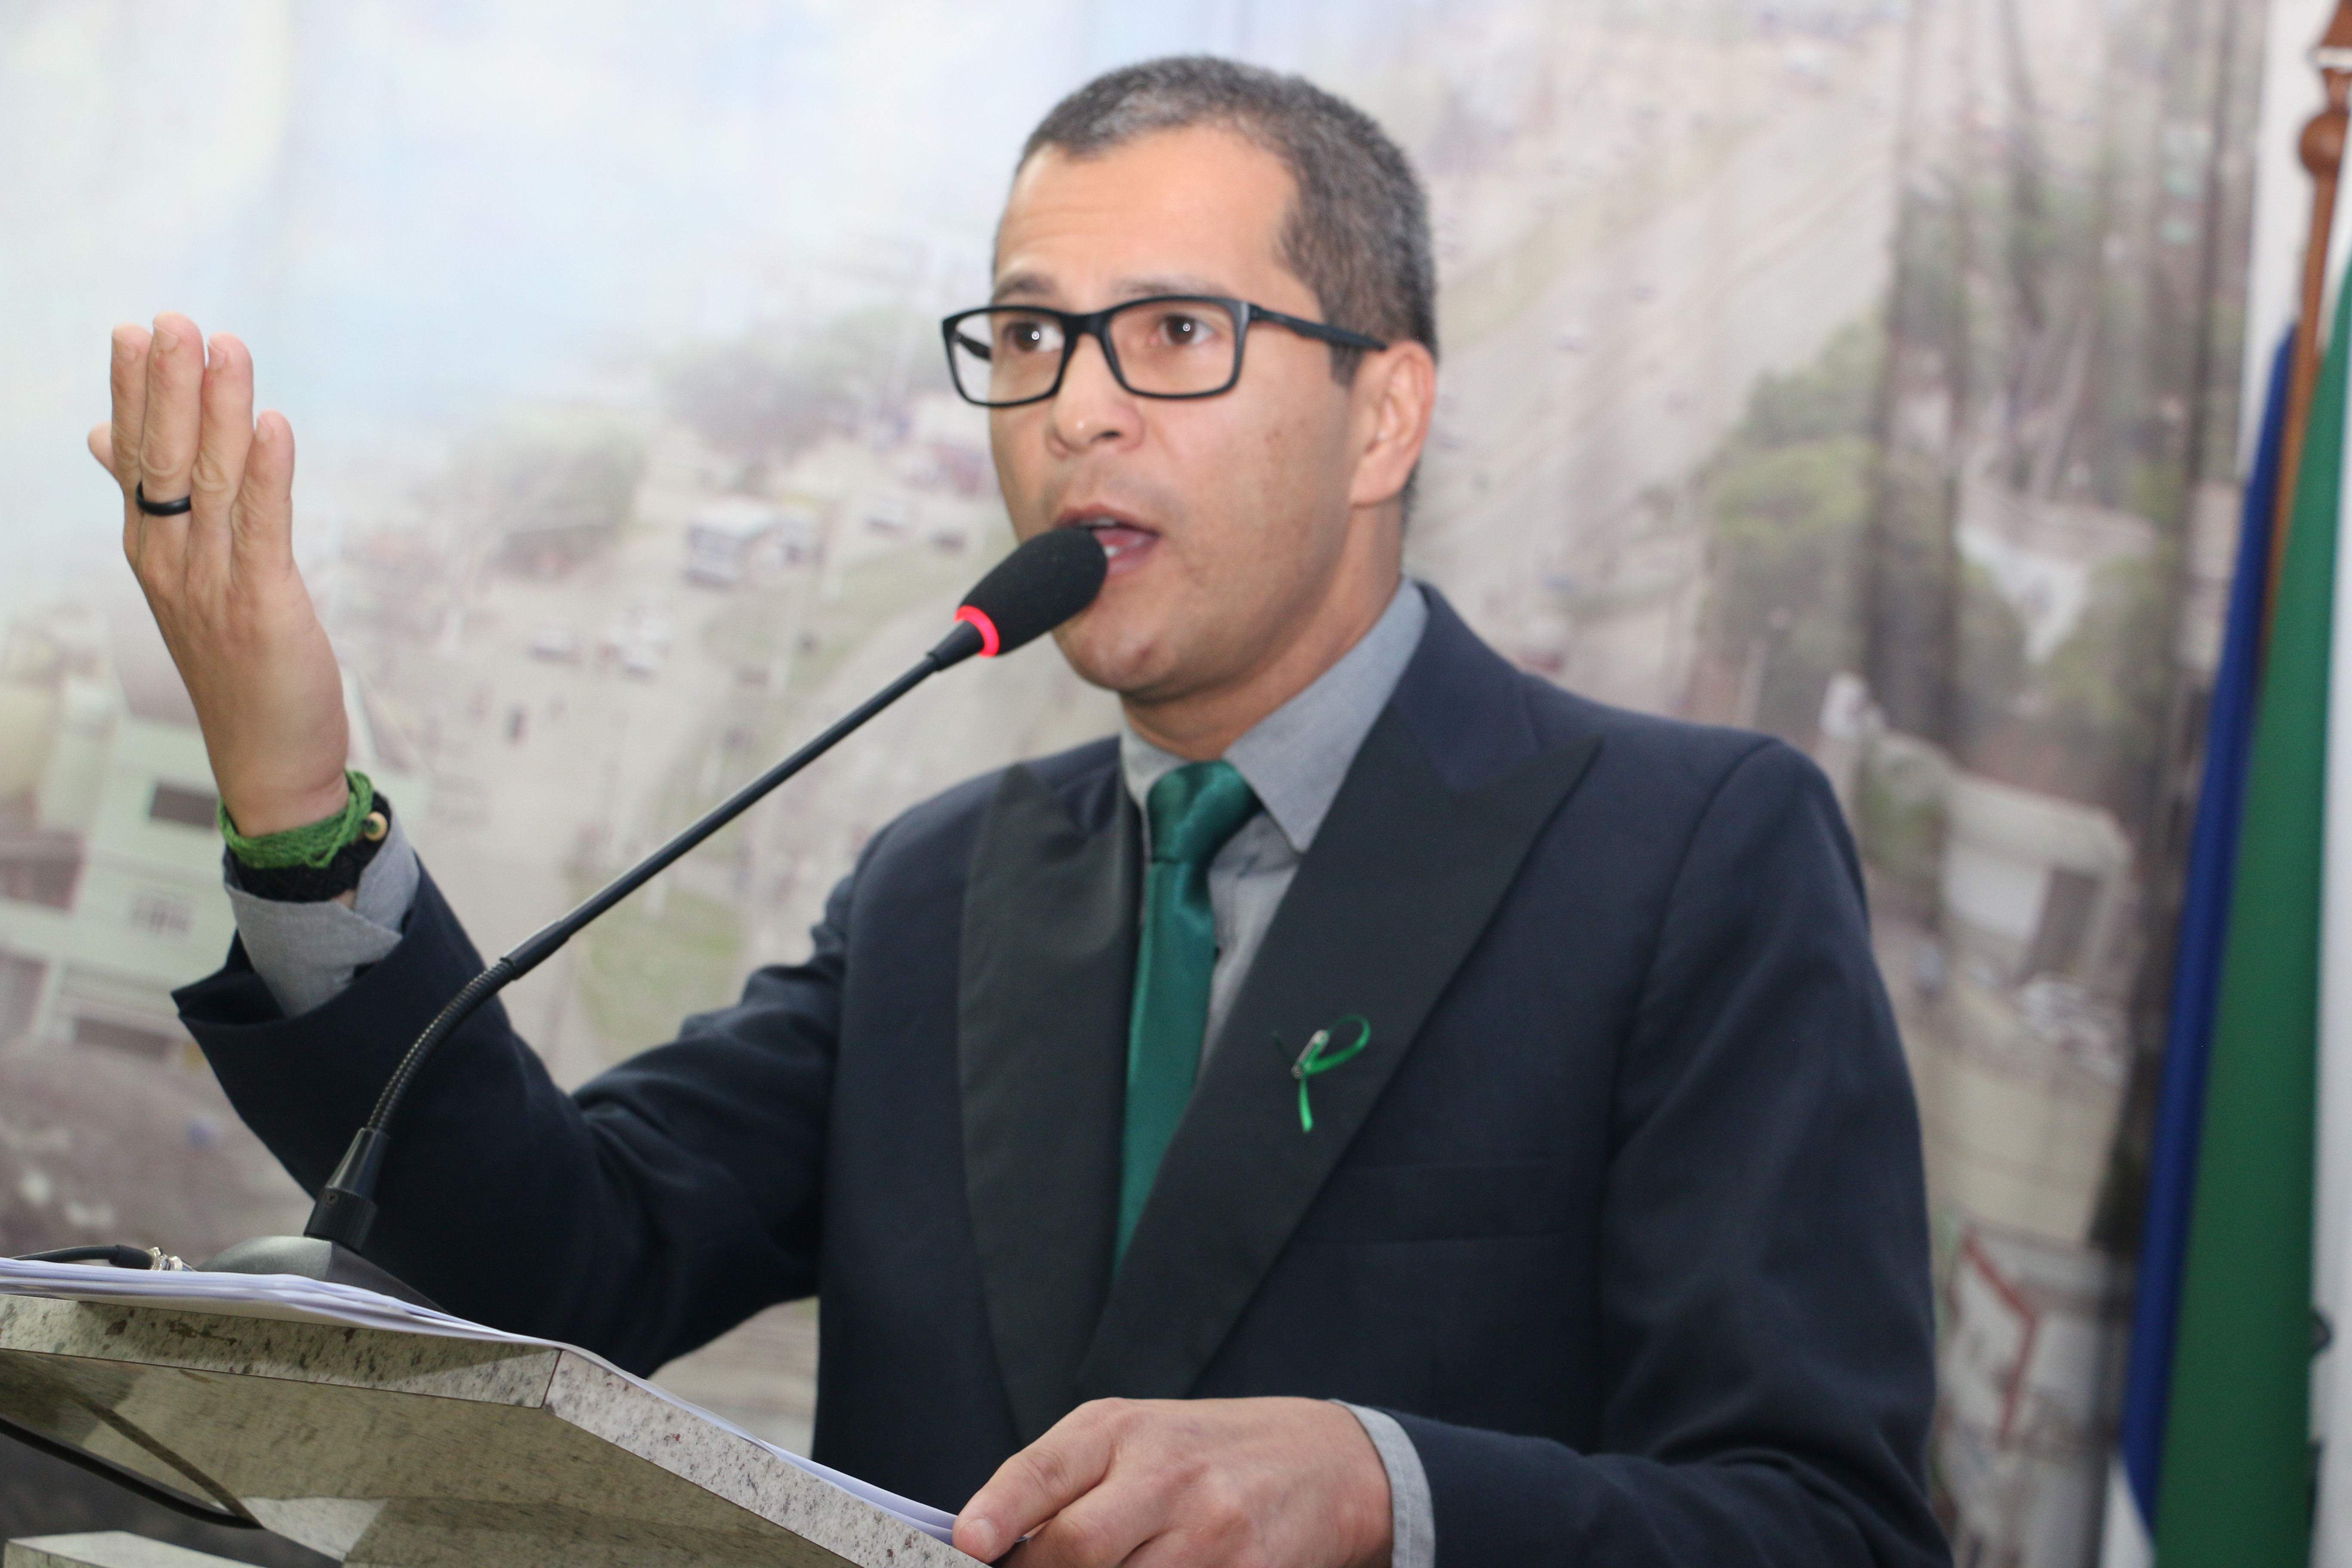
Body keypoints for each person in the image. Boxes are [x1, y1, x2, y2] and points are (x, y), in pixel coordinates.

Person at [97, 57, 1947, 1568]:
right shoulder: (938, 888)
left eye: (1174, 333)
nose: (1077, 413)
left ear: (1384, 417)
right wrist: (293, 796)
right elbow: (550, 1262)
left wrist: (1388, 1491)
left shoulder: (1687, 853)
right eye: (1033, 339)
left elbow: (1824, 1526)